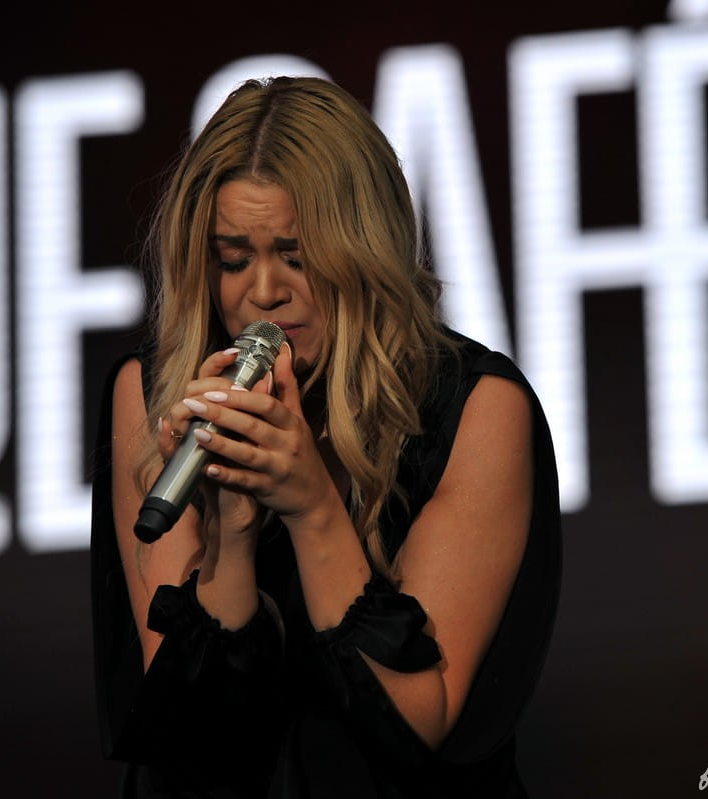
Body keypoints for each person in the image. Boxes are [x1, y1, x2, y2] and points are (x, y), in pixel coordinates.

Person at [90, 75, 562, 798]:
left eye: (297, 256)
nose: (264, 292)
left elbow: (417, 725)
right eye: (233, 258)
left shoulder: (476, 406)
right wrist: (231, 534)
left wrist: (314, 509)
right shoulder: (158, 392)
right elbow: (192, 742)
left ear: (364, 248)